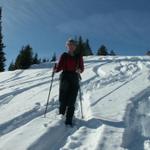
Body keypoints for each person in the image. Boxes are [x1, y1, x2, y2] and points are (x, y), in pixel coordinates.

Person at [54, 38, 84, 126]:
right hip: (65, 77)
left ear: (75, 46)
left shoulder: (78, 56)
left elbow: (82, 68)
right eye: (69, 45)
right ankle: (61, 116)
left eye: (73, 45)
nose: (71, 46)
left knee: (72, 99)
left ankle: (69, 120)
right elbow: (59, 67)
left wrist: (80, 70)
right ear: (67, 46)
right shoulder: (64, 55)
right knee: (63, 98)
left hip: (74, 77)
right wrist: (55, 69)